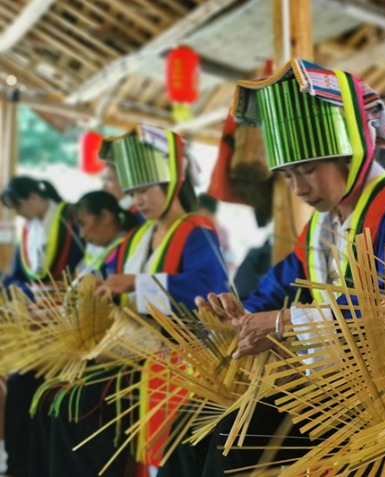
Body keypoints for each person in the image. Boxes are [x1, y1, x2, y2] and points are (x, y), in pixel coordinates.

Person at [197, 58, 385, 476]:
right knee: (226, 438)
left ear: (350, 152)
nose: (299, 188)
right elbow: (283, 280)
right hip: (338, 389)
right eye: (287, 175)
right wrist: (243, 316)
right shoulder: (324, 222)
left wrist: (283, 323)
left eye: (309, 170)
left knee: (240, 443)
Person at [94, 125, 229, 477]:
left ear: (171, 184)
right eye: (131, 192)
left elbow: (208, 286)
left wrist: (136, 283)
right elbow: (105, 270)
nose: (137, 200)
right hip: (136, 350)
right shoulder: (139, 236)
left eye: (144, 190)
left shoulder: (196, 229)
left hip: (181, 355)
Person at [27, 190, 140, 477]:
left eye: (84, 222)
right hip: (111, 341)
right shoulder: (127, 244)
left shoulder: (189, 232)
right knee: (46, 392)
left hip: (141, 350)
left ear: (107, 216)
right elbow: (91, 290)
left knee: (72, 400)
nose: (82, 232)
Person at [1, 176, 84, 477]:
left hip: (68, 323)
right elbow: (18, 275)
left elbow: (84, 271)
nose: (21, 214)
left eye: (19, 205)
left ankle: (30, 464)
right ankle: (19, 463)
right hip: (36, 319)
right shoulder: (29, 229)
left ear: (34, 197)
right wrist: (20, 294)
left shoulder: (71, 219)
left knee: (34, 390)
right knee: (22, 385)